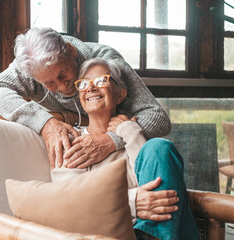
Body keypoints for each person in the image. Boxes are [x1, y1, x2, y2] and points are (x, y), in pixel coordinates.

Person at [0, 27, 171, 170]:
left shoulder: (105, 62)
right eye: (49, 84)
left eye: (63, 74)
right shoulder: (31, 67)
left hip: (124, 155)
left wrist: (110, 140)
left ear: (71, 50)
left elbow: (158, 118)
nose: (62, 87)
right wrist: (46, 123)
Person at [51, 58, 199, 240]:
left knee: (160, 147)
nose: (90, 88)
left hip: (144, 228)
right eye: (84, 84)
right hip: (109, 233)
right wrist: (131, 200)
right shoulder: (72, 142)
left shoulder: (133, 135)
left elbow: (150, 184)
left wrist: (130, 132)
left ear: (120, 94)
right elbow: (69, 200)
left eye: (100, 81)